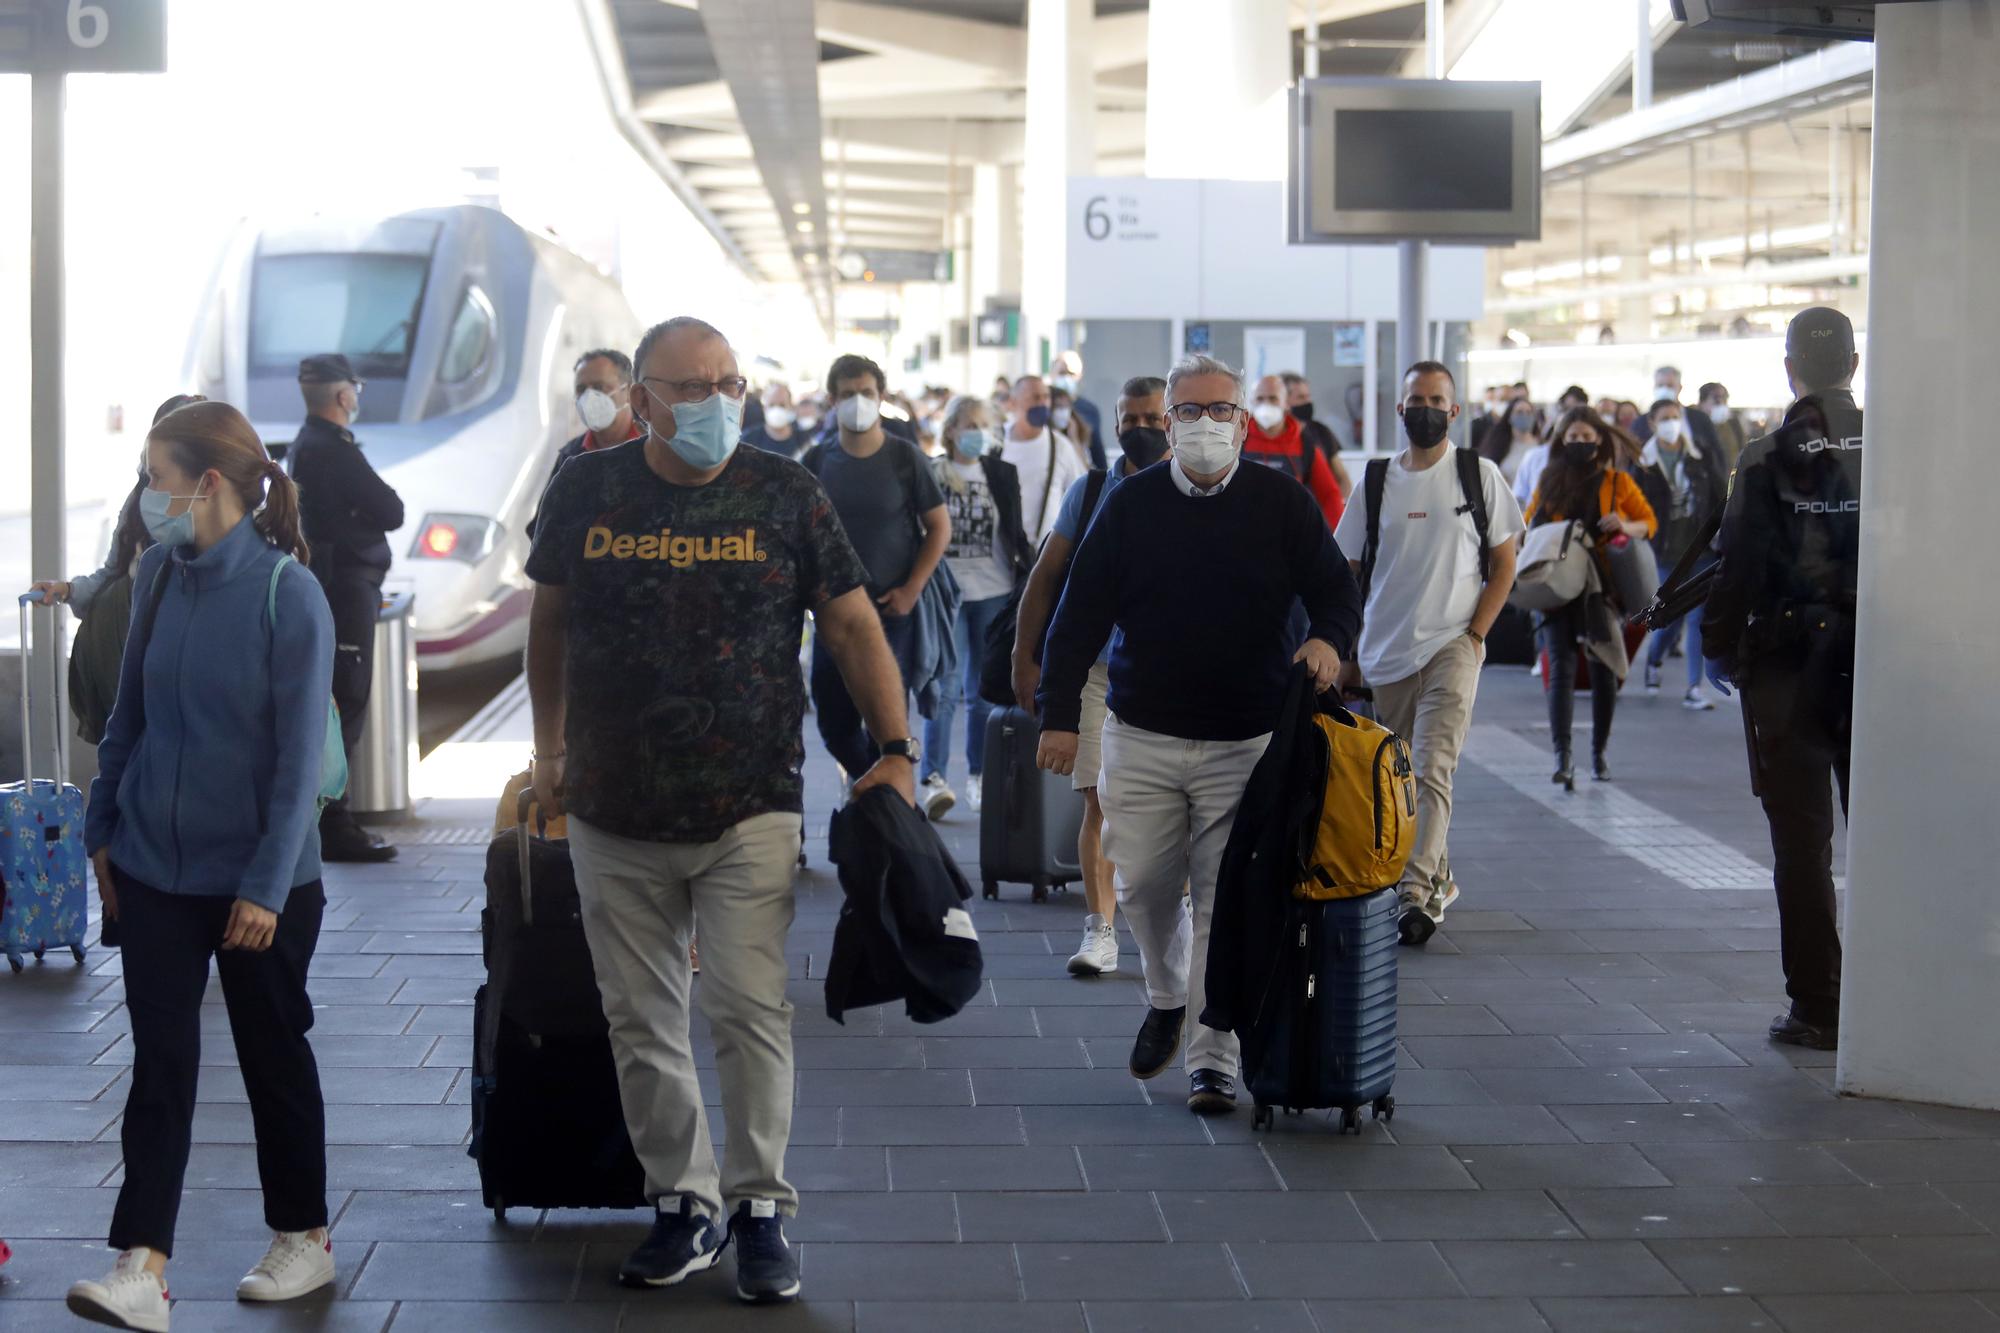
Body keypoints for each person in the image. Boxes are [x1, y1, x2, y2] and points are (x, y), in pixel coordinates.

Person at [525, 316, 918, 1304]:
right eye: (689, 387)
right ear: (642, 399)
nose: (711, 403)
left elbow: (850, 621)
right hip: (612, 808)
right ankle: (682, 1202)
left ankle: (759, 1209)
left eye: (726, 383)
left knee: (747, 1009)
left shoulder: (784, 490)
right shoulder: (588, 488)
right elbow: (550, 619)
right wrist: (549, 751)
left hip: (748, 800)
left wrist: (897, 751)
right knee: (640, 1018)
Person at [67, 401, 338, 1330]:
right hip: (151, 866)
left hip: (262, 879)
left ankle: (303, 1235)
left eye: (156, 476)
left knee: (271, 1054)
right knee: (162, 1063)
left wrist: (264, 884)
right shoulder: (155, 580)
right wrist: (102, 831)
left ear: (207, 482)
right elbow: (125, 720)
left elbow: (300, 758)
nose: (148, 496)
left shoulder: (285, 592)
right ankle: (140, 1266)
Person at [1034, 354, 1363, 1116]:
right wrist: (1056, 715)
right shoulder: (1131, 506)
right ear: (1169, 419)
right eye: (1190, 410)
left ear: (1245, 424)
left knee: (1223, 896)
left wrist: (1329, 640)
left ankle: (1213, 1057)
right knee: (1144, 882)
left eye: (1221, 410)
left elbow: (1335, 590)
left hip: (1246, 739)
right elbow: (1077, 613)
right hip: (1143, 729)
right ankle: (1167, 993)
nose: (1205, 424)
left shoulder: (1281, 505)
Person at [1702, 307, 1863, 1053]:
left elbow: (1739, 566)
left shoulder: (1766, 455)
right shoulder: (1894, 448)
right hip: (1881, 662)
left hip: (1790, 671)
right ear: (1854, 367)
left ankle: (1819, 1007)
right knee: (1892, 833)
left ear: (1789, 369)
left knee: (1802, 844)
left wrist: (1718, 646)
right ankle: (1901, 997)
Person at [1333, 362, 1523, 947]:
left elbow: (1505, 563)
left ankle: (1413, 891)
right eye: (1417, 398)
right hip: (1385, 653)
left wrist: (1475, 635)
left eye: (1437, 399)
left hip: (1452, 644)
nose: (1426, 408)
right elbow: (1347, 570)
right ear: (1401, 409)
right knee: (1397, 776)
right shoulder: (1375, 482)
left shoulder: (1478, 474)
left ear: (1454, 410)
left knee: (1434, 763)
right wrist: (1343, 648)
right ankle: (1436, 868)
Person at [1011, 376, 1172, 979]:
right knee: (1099, 802)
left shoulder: (1199, 489)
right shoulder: (1094, 489)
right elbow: (1045, 579)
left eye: (1153, 418)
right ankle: (1101, 930)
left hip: (1170, 674)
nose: (1142, 429)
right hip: (1097, 671)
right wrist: (1025, 659)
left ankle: (1169, 917)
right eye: (1130, 419)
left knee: (1168, 808)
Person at [806, 353, 952, 813]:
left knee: (887, 721)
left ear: (881, 397)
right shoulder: (817, 459)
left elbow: (939, 527)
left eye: (865, 393)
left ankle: (887, 811)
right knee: (833, 721)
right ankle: (885, 789)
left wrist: (911, 590)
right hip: (833, 615)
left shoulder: (903, 456)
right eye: (847, 394)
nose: (856, 402)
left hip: (892, 614)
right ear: (832, 400)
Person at [287, 353, 405, 864]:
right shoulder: (331, 448)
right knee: (346, 703)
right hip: (346, 592)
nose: (357, 397)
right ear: (343, 395)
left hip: (337, 587)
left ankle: (332, 818)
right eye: (355, 389)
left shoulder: (305, 445)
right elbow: (391, 509)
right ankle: (336, 824)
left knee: (338, 700)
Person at [33, 395, 203, 743]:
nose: (153, 485)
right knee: (128, 753)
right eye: (152, 473)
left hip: (166, 665)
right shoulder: (143, 500)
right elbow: (114, 571)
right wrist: (66, 589)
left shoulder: (219, 521)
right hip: (121, 655)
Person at [1526, 406, 1657, 786]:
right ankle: (1562, 756)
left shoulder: (1617, 482)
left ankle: (1598, 753)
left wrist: (1624, 524)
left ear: (1599, 439)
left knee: (1604, 668)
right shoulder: (1549, 479)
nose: (1580, 443)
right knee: (1561, 669)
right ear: (1562, 440)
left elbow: (1648, 523)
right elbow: (1529, 522)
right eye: (1573, 437)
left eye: (1587, 437)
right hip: (1558, 585)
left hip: (1602, 588)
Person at [925, 394, 1030, 815]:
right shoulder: (932, 472)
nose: (977, 433)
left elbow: (1014, 530)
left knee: (983, 692)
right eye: (969, 425)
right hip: (948, 593)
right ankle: (933, 778)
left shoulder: (1001, 473)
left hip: (994, 590)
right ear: (951, 430)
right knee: (945, 686)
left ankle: (980, 775)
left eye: (983, 425)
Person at [1638, 397, 1729, 709]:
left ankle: (1694, 687)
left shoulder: (1698, 454)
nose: (1670, 423)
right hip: (1666, 552)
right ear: (1652, 423)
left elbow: (1720, 494)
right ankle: (1653, 659)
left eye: (1675, 416)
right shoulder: (1643, 462)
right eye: (1664, 417)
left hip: (1701, 547)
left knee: (1698, 616)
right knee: (1671, 616)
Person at [529, 350, 644, 540]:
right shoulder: (571, 457)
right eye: (581, 390)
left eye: (599, 387)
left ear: (629, 392)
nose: (589, 397)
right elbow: (542, 532)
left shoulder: (657, 452)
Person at [1244, 374, 1346, 530]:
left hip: (1291, 534)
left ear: (1286, 403)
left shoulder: (1305, 444)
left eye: (1273, 398)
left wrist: (1338, 537)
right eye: (1260, 399)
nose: (1266, 404)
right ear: (1251, 402)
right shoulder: (1238, 440)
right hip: (1245, 531)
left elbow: (1329, 494)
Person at [1000, 373, 1089, 544]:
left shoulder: (1060, 446)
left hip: (1044, 552)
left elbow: (1081, 496)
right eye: (1034, 397)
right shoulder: (996, 443)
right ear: (1013, 402)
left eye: (1046, 397)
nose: (1042, 403)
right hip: (1003, 554)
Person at [1279, 371, 1356, 496]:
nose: (1308, 402)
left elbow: (1342, 477)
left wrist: (1341, 507)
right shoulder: (1271, 436)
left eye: (1308, 396)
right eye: (1301, 397)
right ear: (1284, 401)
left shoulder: (1321, 431)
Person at [1637, 364, 1722, 458]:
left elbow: (1716, 455)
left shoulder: (1701, 419)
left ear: (1680, 388)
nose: (1664, 390)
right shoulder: (1640, 423)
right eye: (1660, 385)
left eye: (1670, 386)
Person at [1049, 350, 1105, 468]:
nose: (1066, 378)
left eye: (1071, 374)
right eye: (1062, 373)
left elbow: (1098, 455)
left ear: (1079, 376)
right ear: (1052, 373)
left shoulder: (1089, 410)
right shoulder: (1043, 405)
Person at [1479, 393, 1544, 486]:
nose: (1524, 416)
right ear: (1509, 417)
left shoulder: (1540, 447)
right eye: (1519, 412)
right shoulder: (1498, 445)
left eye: (1528, 412)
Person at [1698, 380, 1749, 472]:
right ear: (1702, 402)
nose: (1721, 402)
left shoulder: (1734, 424)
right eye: (1716, 398)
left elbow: (1744, 451)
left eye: (1724, 398)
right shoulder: (1695, 425)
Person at [742, 381, 803, 457]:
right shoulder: (748, 440)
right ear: (764, 408)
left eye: (782, 405)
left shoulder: (803, 442)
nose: (776, 410)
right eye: (771, 405)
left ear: (790, 407)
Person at [1048, 384, 1100, 471]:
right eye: (1058, 406)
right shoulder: (1046, 438)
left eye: (1066, 406)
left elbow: (1085, 470)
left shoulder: (1079, 432)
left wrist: (1074, 439)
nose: (1064, 411)